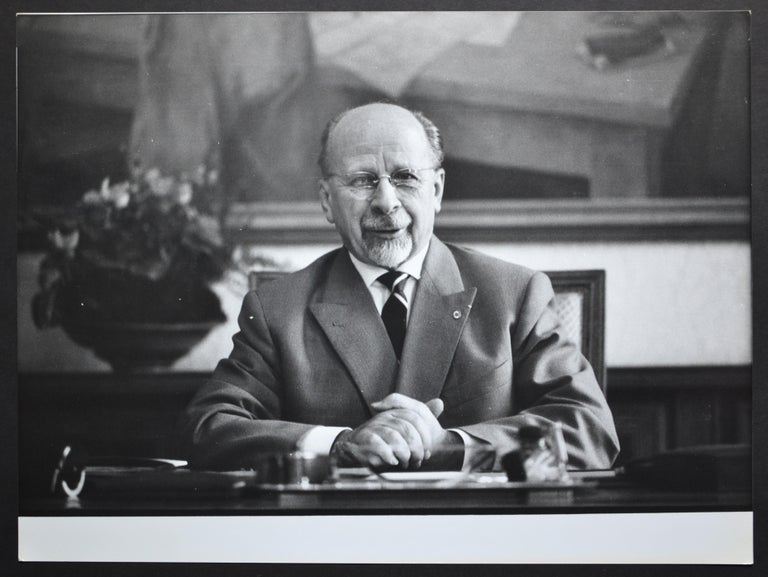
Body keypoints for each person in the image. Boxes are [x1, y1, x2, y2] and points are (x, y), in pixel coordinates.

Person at [181, 102, 620, 472]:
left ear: (437, 190)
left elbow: (589, 430)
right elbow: (209, 427)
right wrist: (338, 444)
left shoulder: (515, 294)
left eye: (406, 176)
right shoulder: (278, 309)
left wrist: (454, 445)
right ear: (326, 201)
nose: (386, 201)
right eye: (362, 180)